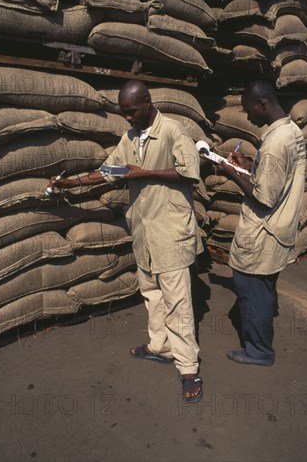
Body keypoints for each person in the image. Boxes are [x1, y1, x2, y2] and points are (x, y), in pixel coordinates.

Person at [49, 80, 204, 402]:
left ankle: (189, 368)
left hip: (171, 231)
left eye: (132, 112)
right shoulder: (130, 137)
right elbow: (109, 171)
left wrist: (143, 174)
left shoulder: (174, 131)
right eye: (124, 113)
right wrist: (71, 184)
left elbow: (190, 172)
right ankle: (159, 346)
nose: (128, 118)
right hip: (145, 231)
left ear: (147, 103)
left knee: (178, 302)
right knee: (151, 292)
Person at [203, 79, 306, 366]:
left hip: (264, 232)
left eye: (250, 109)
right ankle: (260, 340)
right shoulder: (291, 131)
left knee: (251, 290)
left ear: (262, 104)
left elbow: (264, 198)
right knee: (264, 287)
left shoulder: (275, 143)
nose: (247, 116)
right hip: (280, 229)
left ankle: (259, 351)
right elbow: (277, 177)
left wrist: (231, 172)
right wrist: (250, 166)